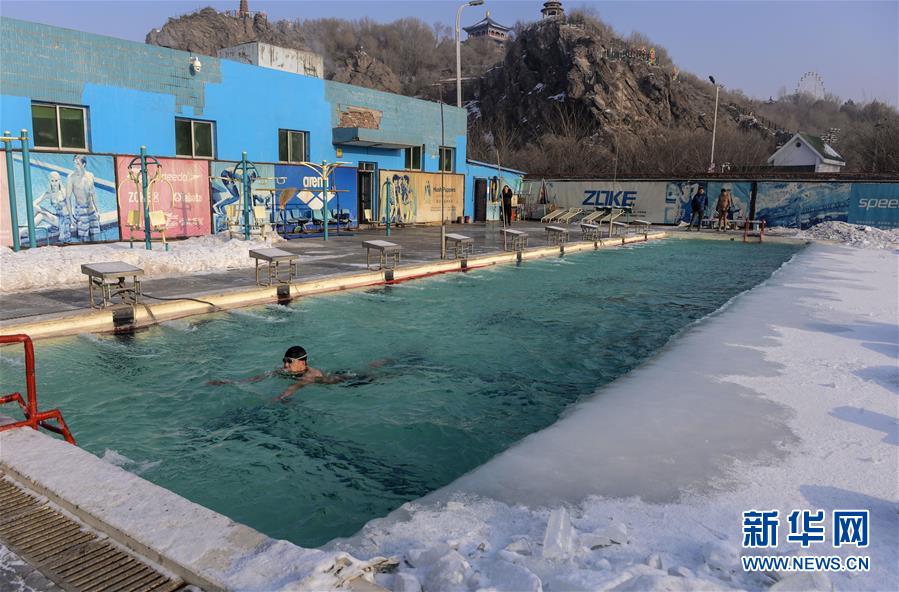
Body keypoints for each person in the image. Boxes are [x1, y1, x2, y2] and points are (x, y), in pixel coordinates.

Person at [67, 155, 101, 242]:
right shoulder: (71, 177)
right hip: (81, 210)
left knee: (96, 236)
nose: (75, 166)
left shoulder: (90, 176)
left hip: (91, 209)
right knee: (84, 238)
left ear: (84, 164)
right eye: (75, 164)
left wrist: (98, 211)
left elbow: (93, 194)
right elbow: (68, 198)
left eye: (78, 164)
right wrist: (71, 216)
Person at [35, 171, 72, 243]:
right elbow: (33, 204)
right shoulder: (48, 194)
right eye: (52, 181)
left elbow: (69, 208)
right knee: (36, 210)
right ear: (50, 181)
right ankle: (26, 230)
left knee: (41, 215)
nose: (54, 183)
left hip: (64, 220)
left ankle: (24, 231)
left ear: (59, 181)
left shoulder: (64, 192)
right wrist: (45, 212)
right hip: (57, 217)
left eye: (56, 180)